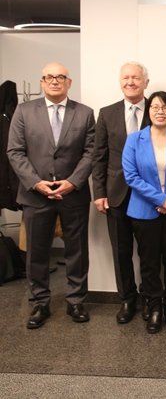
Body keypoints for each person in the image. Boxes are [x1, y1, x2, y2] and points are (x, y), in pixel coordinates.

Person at [7, 62, 95, 329]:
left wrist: (73, 182)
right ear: (42, 82)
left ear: (69, 82)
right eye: (49, 77)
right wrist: (36, 183)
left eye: (60, 77)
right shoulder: (23, 111)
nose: (55, 81)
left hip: (73, 194)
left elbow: (91, 152)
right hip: (35, 195)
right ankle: (39, 302)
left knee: (77, 250)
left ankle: (76, 300)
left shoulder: (85, 113)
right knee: (36, 251)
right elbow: (15, 151)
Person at [122, 91, 166, 334]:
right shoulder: (134, 140)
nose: (160, 111)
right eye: (155, 107)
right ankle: (153, 308)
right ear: (148, 111)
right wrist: (160, 199)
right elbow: (131, 176)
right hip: (144, 211)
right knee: (149, 262)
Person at [92, 62, 150, 324]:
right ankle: (127, 299)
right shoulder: (107, 113)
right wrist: (99, 192)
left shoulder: (157, 108)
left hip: (149, 195)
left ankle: (149, 298)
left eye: (136, 77)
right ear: (120, 82)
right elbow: (99, 156)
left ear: (146, 82)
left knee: (149, 252)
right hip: (116, 195)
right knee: (121, 251)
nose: (130, 82)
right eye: (126, 78)